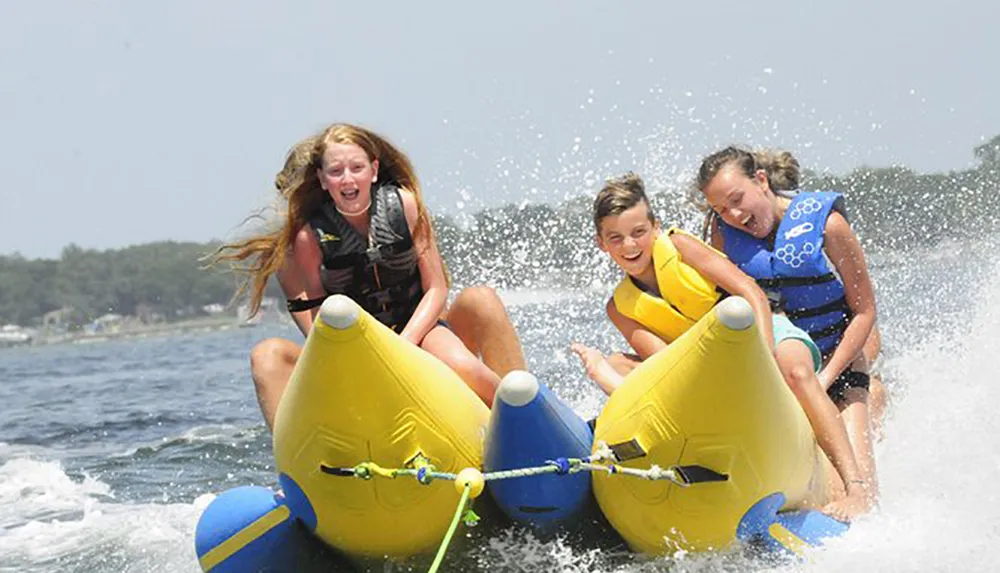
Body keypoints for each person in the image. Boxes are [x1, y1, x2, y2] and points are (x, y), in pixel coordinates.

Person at [571, 172, 872, 521]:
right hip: (708, 363)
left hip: (763, 333)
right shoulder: (619, 308)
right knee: (619, 365)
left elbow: (753, 295)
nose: (629, 246)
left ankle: (856, 487)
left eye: (638, 232)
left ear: (655, 226)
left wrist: (760, 358)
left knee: (797, 371)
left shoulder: (682, 248)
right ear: (601, 243)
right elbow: (663, 358)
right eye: (615, 238)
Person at [211, 123, 526, 429]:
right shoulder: (301, 246)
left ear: (373, 171)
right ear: (321, 181)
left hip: (421, 334)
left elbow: (436, 288)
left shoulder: (401, 206)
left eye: (355, 169)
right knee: (266, 355)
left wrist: (402, 348)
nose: (346, 182)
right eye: (334, 173)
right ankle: (297, 468)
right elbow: (318, 329)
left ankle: (530, 412)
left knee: (478, 305)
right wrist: (364, 359)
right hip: (355, 346)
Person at [695, 146, 881, 515]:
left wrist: (825, 378)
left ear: (761, 180)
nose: (733, 215)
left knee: (857, 493)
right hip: (783, 369)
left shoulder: (829, 225)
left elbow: (865, 312)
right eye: (721, 209)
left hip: (837, 365)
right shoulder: (722, 234)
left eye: (737, 199)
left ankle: (871, 410)